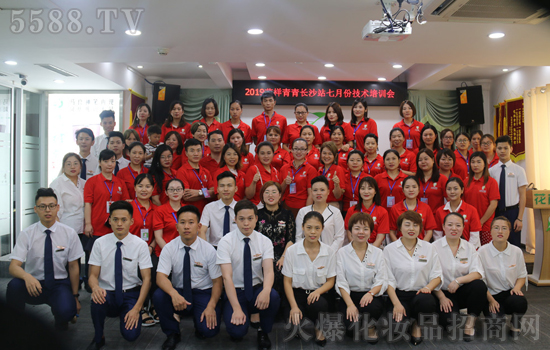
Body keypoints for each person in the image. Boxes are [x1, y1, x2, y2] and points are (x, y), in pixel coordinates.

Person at [7, 188, 84, 331]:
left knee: (66, 311)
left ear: (58, 208)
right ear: (36, 209)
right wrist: (27, 277)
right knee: (14, 286)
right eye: (42, 207)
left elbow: (73, 267)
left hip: (59, 284)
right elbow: (13, 266)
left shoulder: (69, 233)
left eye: (51, 206)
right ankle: (16, 326)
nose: (47, 210)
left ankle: (62, 315)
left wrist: (75, 297)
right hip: (34, 285)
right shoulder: (27, 234)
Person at [154, 205, 223, 350]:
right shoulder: (169, 248)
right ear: (176, 226)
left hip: (202, 292)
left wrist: (211, 306)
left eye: (191, 222)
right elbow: (160, 277)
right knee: (159, 296)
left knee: (208, 331)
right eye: (182, 222)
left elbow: (217, 281)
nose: (186, 227)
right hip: (178, 291)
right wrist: (173, 294)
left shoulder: (209, 250)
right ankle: (172, 333)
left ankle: (200, 325)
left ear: (198, 226)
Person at [87, 201, 152, 350]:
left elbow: (147, 279)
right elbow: (92, 275)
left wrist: (137, 308)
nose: (119, 224)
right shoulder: (100, 243)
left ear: (131, 221)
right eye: (115, 219)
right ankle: (98, 336)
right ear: (109, 221)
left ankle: (131, 314)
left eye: (124, 219)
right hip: (106, 293)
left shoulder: (140, 244)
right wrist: (95, 287)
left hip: (130, 294)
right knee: (96, 299)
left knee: (131, 335)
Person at [216, 200, 281, 350]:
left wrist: (265, 291)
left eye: (250, 218)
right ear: (235, 219)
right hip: (235, 291)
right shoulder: (225, 242)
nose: (246, 223)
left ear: (256, 219)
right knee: (237, 332)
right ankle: (239, 318)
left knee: (273, 296)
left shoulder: (264, 241)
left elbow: (269, 271)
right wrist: (236, 308)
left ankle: (263, 331)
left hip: (257, 289)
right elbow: (226, 277)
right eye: (241, 219)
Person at [384, 211, 442, 346]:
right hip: (398, 295)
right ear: (400, 227)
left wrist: (428, 288)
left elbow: (437, 275)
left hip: (421, 293)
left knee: (427, 302)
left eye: (415, 225)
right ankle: (404, 318)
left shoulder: (429, 248)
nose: (411, 229)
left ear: (420, 228)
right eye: (407, 225)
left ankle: (417, 324)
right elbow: (388, 280)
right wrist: (396, 304)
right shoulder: (390, 250)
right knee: (397, 329)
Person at [283, 211, 336, 347]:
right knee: (292, 327)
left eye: (317, 228)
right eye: (309, 227)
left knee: (320, 305)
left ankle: (319, 328)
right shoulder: (292, 251)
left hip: (318, 294)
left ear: (322, 229)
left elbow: (331, 280)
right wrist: (294, 307)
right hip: (297, 295)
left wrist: (318, 292)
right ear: (302, 227)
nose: (313, 232)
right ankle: (299, 319)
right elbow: (287, 281)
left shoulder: (328, 251)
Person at [432, 213, 487, 341]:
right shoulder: (433, 248)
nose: (454, 228)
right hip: (441, 292)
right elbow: (429, 277)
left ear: (463, 227)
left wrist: (458, 281)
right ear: (443, 227)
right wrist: (442, 298)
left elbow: (478, 272)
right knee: (449, 321)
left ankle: (470, 322)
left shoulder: (469, 247)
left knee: (479, 286)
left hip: (462, 291)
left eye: (458, 225)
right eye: (450, 225)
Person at [337, 212, 386, 343]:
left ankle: (371, 326)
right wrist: (350, 305)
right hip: (349, 295)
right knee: (351, 330)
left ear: (370, 232)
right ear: (350, 231)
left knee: (373, 308)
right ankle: (354, 321)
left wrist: (371, 293)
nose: (361, 232)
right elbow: (341, 282)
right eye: (357, 228)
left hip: (370, 295)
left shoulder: (378, 253)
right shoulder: (342, 253)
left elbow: (381, 279)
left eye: (365, 229)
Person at [478, 216, 528, 339]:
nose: (500, 231)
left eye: (504, 228)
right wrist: (490, 300)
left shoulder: (516, 251)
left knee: (520, 301)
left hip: (509, 293)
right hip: (490, 295)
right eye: (496, 228)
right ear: (490, 231)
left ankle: (515, 322)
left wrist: (517, 288)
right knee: (495, 325)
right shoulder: (482, 251)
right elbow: (480, 280)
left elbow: (522, 275)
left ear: (509, 232)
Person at [84, 149, 130, 270]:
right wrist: (88, 224)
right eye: (106, 161)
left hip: (115, 227)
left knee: (111, 259)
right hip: (97, 226)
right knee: (94, 258)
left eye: (112, 161)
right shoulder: (92, 182)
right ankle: (91, 282)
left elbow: (125, 203)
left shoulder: (120, 182)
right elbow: (88, 204)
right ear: (99, 163)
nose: (110, 164)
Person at [50, 153, 87, 290]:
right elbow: (55, 210)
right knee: (67, 260)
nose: (72, 167)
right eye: (68, 164)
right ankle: (66, 289)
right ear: (63, 166)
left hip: (83, 227)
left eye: (76, 163)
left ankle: (75, 288)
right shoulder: (57, 183)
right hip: (66, 227)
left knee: (77, 259)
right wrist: (59, 230)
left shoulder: (84, 183)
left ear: (81, 166)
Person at [256, 181, 296, 304]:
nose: (270, 195)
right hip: (261, 256)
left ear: (280, 195)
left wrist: (284, 257)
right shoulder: (257, 215)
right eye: (266, 192)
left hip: (282, 256)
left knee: (281, 268)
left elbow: (291, 239)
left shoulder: (287, 214)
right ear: (262, 196)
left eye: (274, 192)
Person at [129, 174, 158, 327]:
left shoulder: (157, 210)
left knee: (155, 269)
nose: (144, 189)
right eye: (140, 186)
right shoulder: (129, 208)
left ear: (153, 189)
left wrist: (151, 246)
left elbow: (157, 232)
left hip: (149, 250)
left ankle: (152, 305)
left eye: (148, 186)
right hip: (131, 251)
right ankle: (140, 307)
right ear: (134, 188)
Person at [489, 135, 527, 248]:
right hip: (496, 212)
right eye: (500, 148)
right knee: (496, 244)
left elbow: (523, 195)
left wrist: (519, 218)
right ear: (496, 150)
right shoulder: (491, 171)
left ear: (511, 149)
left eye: (505, 148)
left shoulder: (519, 170)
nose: (502, 151)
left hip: (513, 212)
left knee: (514, 245)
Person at [295, 176, 345, 252]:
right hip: (307, 255)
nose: (319, 193)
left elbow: (339, 237)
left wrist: (329, 253)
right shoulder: (303, 212)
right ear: (311, 192)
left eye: (322, 190)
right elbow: (298, 237)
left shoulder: (335, 212)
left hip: (330, 256)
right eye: (315, 190)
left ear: (328, 192)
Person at [434, 177, 482, 248]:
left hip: (468, 250)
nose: (452, 192)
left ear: (462, 190)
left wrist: (466, 250)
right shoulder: (440, 211)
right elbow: (437, 235)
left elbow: (474, 237)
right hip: (445, 250)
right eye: (449, 189)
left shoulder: (472, 210)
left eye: (455, 189)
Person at [464, 152, 500, 245]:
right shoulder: (466, 181)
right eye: (473, 162)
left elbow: (493, 204)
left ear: (485, 164)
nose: (475, 165)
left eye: (479, 162)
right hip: (468, 225)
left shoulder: (491, 182)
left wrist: (481, 222)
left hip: (485, 225)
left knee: (485, 253)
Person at [344, 177, 389, 248]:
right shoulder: (352, 210)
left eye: (370, 188)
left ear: (375, 191)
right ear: (359, 191)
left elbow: (380, 237)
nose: (366, 192)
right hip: (355, 246)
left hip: (375, 247)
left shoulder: (383, 211)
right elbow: (349, 233)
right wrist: (357, 248)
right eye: (363, 188)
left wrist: (370, 251)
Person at [389, 176, 436, 242]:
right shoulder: (395, 208)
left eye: (414, 187)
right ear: (402, 189)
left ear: (419, 189)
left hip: (421, 245)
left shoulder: (426, 208)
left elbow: (429, 231)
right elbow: (392, 232)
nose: (411, 190)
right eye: (407, 187)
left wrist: (422, 246)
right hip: (401, 246)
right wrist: (399, 247)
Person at [200, 171, 239, 247]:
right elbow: (201, 231)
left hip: (237, 248)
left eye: (229, 185)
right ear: (217, 189)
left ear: (236, 188)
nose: (225, 189)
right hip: (215, 248)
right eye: (222, 186)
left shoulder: (241, 208)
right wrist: (206, 251)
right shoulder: (209, 208)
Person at [279, 138, 316, 218]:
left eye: (302, 149)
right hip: (286, 207)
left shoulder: (311, 169)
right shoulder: (284, 168)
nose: (299, 152)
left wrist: (306, 212)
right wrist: (285, 182)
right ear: (291, 150)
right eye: (296, 149)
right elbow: (279, 192)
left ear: (307, 151)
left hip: (302, 208)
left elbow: (311, 194)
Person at [177, 139, 214, 214]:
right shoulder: (182, 171)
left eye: (198, 150)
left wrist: (198, 192)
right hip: (189, 212)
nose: (196, 154)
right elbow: (186, 196)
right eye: (192, 151)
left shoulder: (206, 171)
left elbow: (213, 193)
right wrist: (206, 194)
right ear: (186, 153)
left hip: (205, 212)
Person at [153, 179, 185, 259]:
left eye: (178, 189)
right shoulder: (160, 210)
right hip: (165, 253)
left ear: (183, 192)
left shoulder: (187, 210)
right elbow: (158, 237)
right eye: (171, 190)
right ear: (166, 192)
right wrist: (170, 253)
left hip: (185, 252)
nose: (175, 192)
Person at [245, 141, 280, 207]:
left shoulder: (275, 171)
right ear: (257, 155)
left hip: (272, 207)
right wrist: (254, 182)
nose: (266, 156)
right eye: (262, 153)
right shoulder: (253, 169)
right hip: (258, 207)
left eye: (269, 153)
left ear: (273, 154)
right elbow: (249, 196)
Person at [416, 149, 448, 213]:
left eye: (426, 159)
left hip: (436, 216)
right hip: (418, 216)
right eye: (420, 160)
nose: (423, 162)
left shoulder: (442, 179)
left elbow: (449, 199)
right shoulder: (415, 179)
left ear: (433, 160)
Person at [318, 141, 345, 208]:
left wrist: (336, 184)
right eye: (324, 153)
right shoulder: (320, 171)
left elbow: (338, 196)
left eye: (330, 154)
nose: (326, 156)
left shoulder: (338, 169)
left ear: (335, 155)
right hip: (320, 204)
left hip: (333, 205)